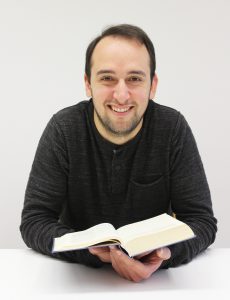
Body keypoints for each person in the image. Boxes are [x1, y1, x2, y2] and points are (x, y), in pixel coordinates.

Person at [20, 24, 217, 282]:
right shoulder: (63, 129)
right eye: (107, 78)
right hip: (79, 282)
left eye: (135, 78)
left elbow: (202, 221)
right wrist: (89, 253)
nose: (121, 95)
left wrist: (164, 254)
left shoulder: (172, 128)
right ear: (88, 84)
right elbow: (34, 221)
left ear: (152, 85)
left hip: (160, 287)